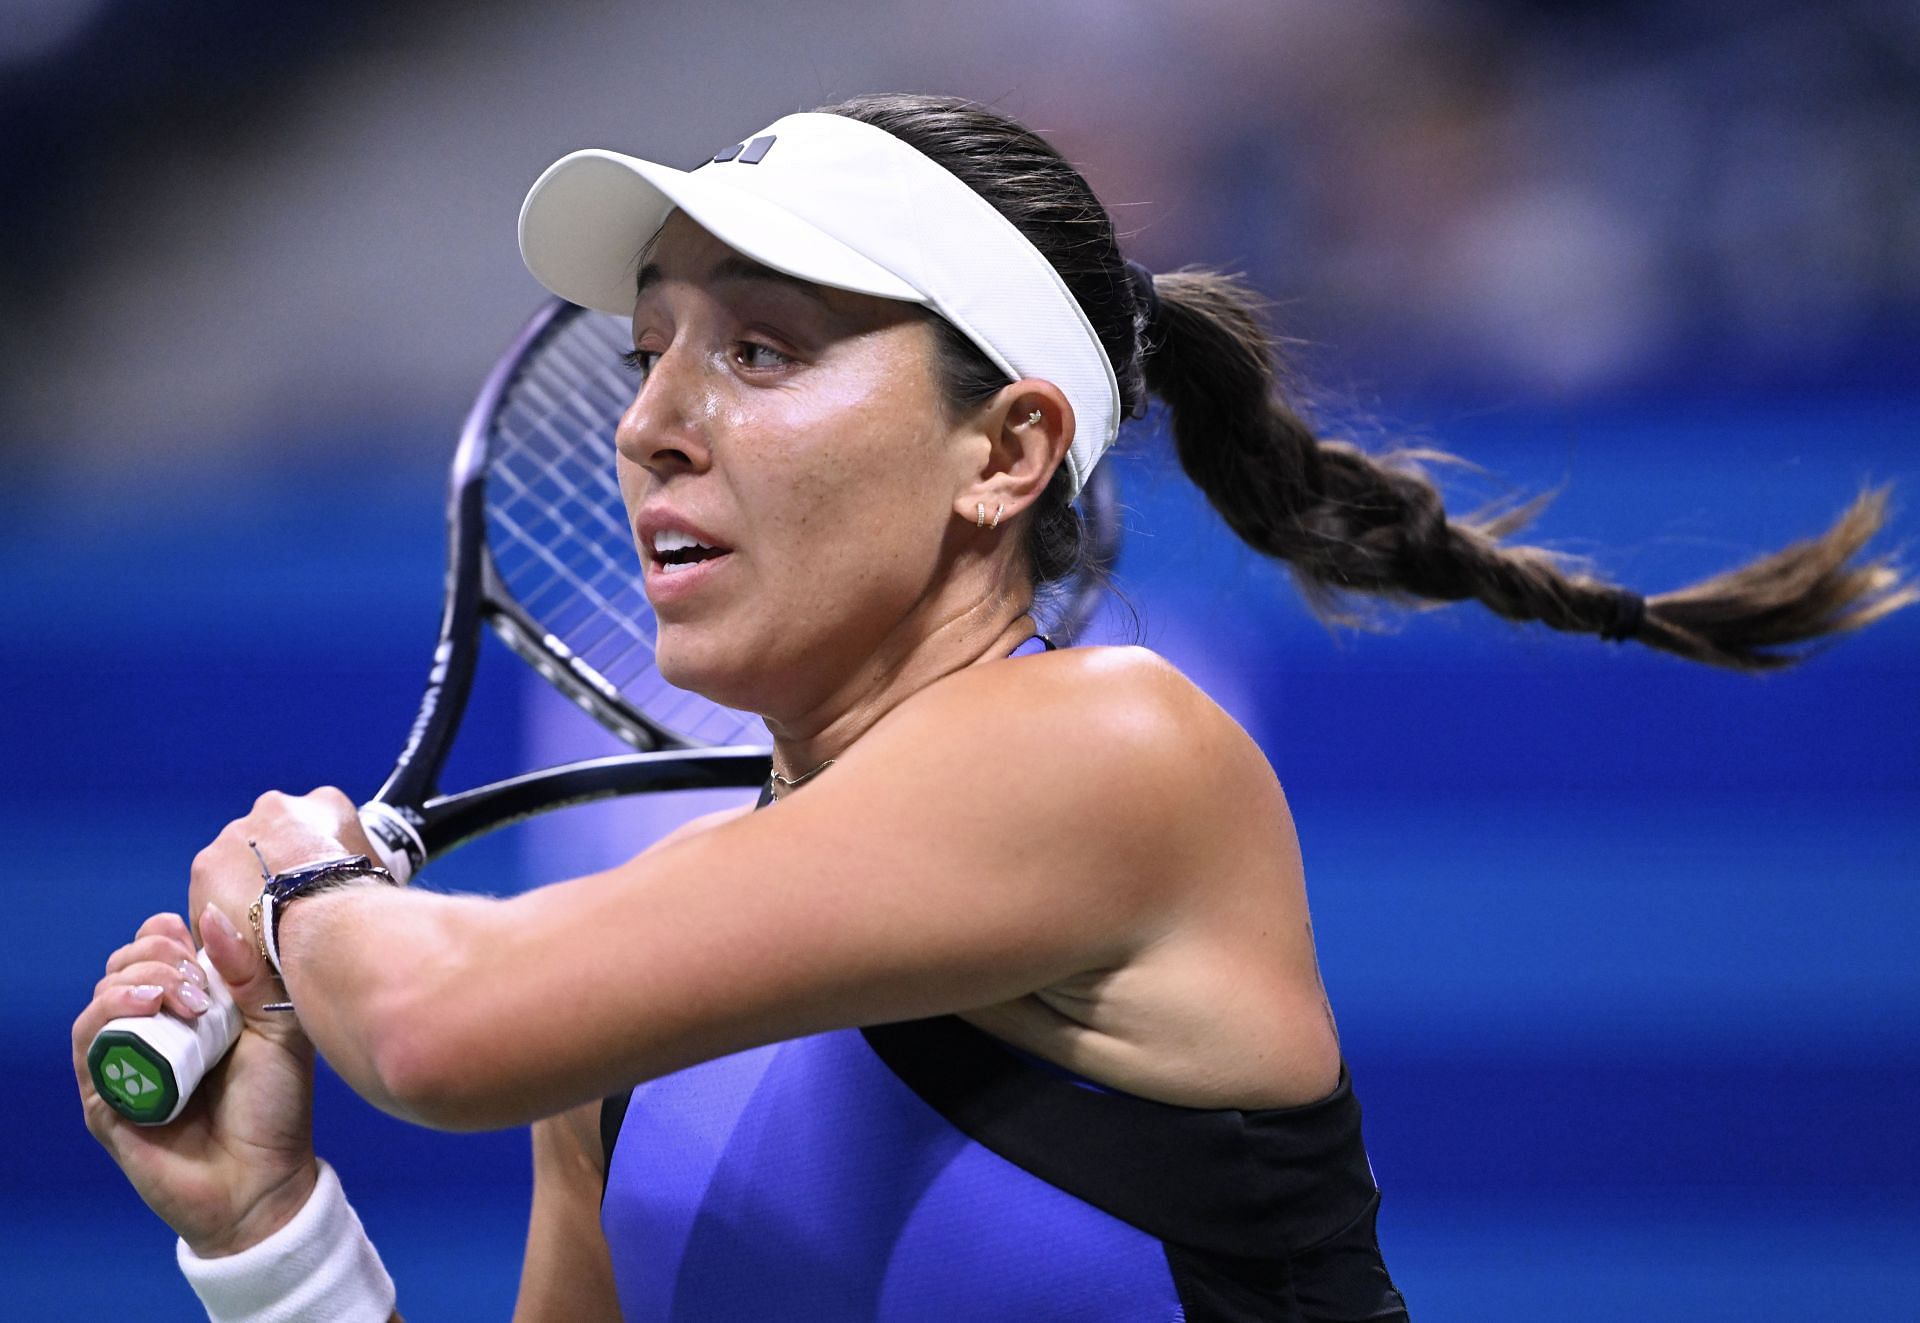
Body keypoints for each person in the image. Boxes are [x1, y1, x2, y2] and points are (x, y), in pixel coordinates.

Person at [72, 92, 1914, 1323]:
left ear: (1008, 450)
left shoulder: (1114, 753)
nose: (652, 422)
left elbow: (444, 1033)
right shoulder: (629, 1022)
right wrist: (264, 1238)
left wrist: (311, 885)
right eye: (651, 359)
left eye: (766, 350)